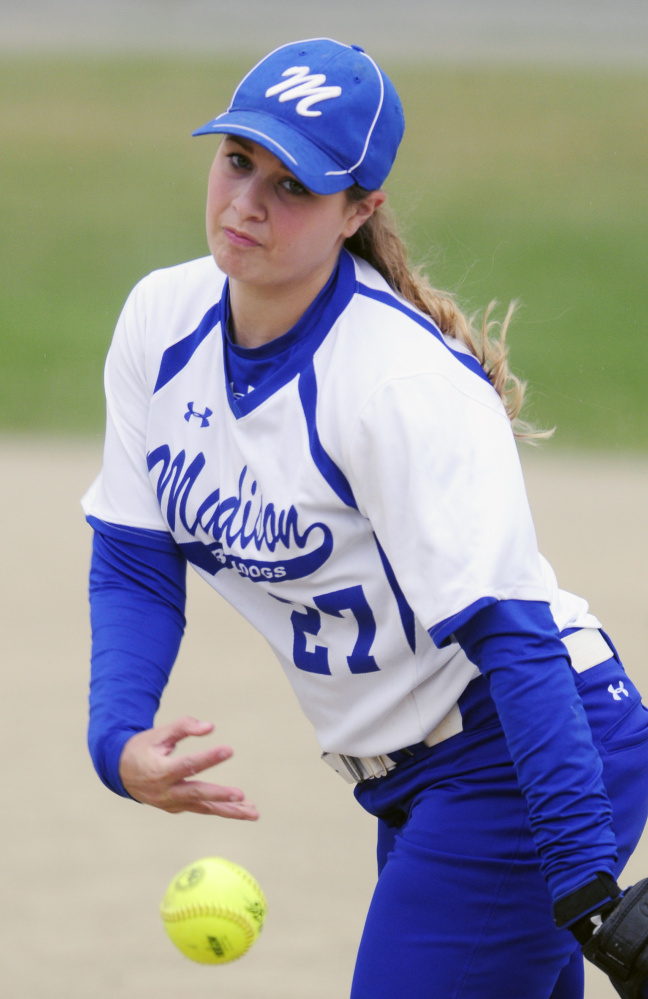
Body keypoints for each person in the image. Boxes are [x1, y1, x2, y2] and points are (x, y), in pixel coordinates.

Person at [82, 38, 648, 998]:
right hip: (418, 783)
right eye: (237, 159)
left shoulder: (397, 385)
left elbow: (516, 643)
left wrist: (588, 888)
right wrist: (118, 737)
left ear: (359, 210)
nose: (248, 201)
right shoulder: (160, 320)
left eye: (293, 184)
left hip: (520, 755)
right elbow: (135, 559)